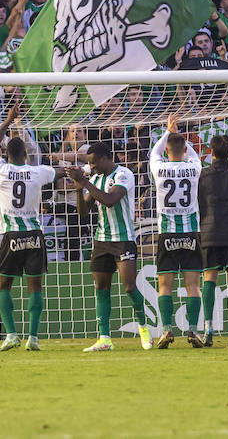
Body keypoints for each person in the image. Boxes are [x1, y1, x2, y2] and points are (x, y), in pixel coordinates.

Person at [65, 142, 152, 352]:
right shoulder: (94, 179)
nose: (91, 167)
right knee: (101, 288)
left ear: (106, 159)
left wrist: (84, 182)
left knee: (130, 287)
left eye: (93, 163)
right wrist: (79, 187)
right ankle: (104, 338)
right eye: (89, 164)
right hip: (102, 240)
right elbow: (83, 212)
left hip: (123, 239)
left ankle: (144, 328)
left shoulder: (124, 175)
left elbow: (110, 200)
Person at [0, 109, 55, 352]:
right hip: (35, 235)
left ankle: (11, 335)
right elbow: (59, 173)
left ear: (6, 155)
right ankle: (33, 338)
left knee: (3, 285)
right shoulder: (38, 172)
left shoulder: (1, 169)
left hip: (12, 236)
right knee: (35, 288)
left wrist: (7, 120)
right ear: (26, 154)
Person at [150, 116, 206, 349]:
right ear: (183, 149)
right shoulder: (194, 168)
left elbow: (155, 152)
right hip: (191, 233)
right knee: (193, 286)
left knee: (165, 286)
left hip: (167, 234)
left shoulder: (159, 168)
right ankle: (192, 329)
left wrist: (167, 132)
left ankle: (166, 330)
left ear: (167, 150)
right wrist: (179, 134)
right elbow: (193, 154)